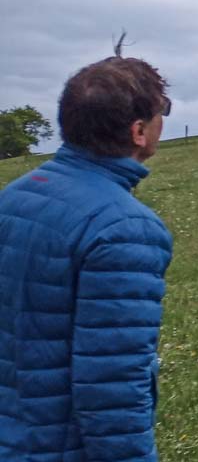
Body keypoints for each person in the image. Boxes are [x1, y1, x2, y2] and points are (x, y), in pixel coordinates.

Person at [0, 56, 175, 462]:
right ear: (138, 131)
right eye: (161, 112)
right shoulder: (125, 228)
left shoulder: (15, 196)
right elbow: (112, 388)